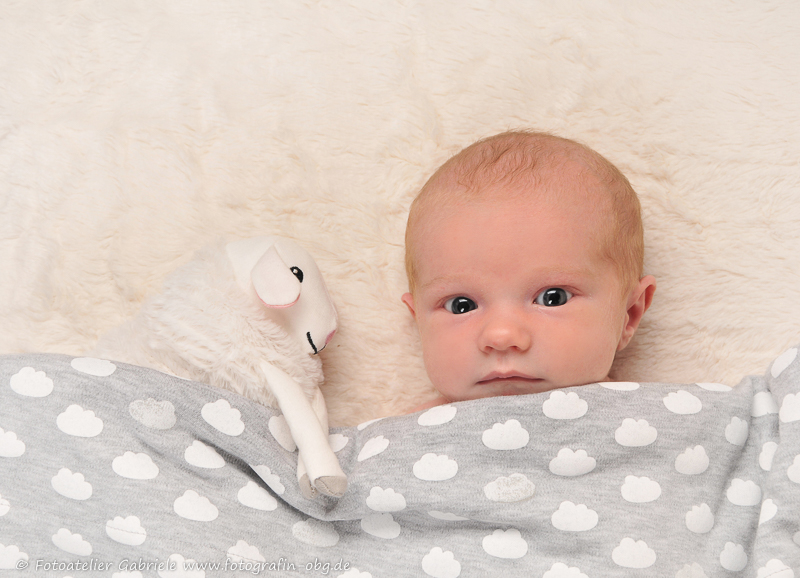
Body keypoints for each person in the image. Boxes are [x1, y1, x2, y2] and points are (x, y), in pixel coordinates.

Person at [401, 130, 657, 411]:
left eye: (553, 297)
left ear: (628, 313)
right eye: (461, 306)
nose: (501, 336)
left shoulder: (660, 418)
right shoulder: (402, 438)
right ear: (419, 323)